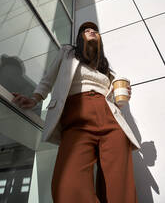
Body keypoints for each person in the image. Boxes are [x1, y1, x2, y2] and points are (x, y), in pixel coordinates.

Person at [12, 22, 140, 203]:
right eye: (86, 30)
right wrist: (34, 99)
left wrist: (122, 97)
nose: (91, 31)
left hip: (110, 120)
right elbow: (48, 80)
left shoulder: (105, 68)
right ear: (80, 38)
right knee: (67, 184)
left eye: (95, 30)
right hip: (77, 117)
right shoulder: (67, 53)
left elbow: (113, 99)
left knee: (119, 183)